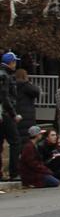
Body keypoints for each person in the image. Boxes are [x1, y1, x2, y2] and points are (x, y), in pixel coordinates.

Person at [0, 52, 21, 181]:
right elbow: (5, 97)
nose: (15, 65)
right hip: (6, 114)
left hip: (1, 113)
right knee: (15, 142)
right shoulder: (5, 76)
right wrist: (14, 114)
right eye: (15, 62)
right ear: (11, 62)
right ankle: (14, 172)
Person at [14, 69, 39, 142]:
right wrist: (28, 82)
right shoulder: (26, 85)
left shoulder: (13, 85)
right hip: (27, 115)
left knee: (18, 136)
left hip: (17, 113)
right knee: (28, 137)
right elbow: (36, 91)